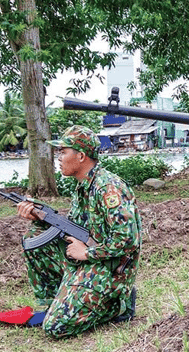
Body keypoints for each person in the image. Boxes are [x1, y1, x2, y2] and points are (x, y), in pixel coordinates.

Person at [16, 126, 141, 338]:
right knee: (34, 237)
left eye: (63, 152)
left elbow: (128, 241)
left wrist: (87, 253)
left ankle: (117, 304)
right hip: (90, 262)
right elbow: (77, 229)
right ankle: (55, 303)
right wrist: (39, 217)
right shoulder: (82, 186)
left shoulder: (108, 188)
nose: (59, 157)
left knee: (55, 328)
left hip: (110, 269)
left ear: (81, 156)